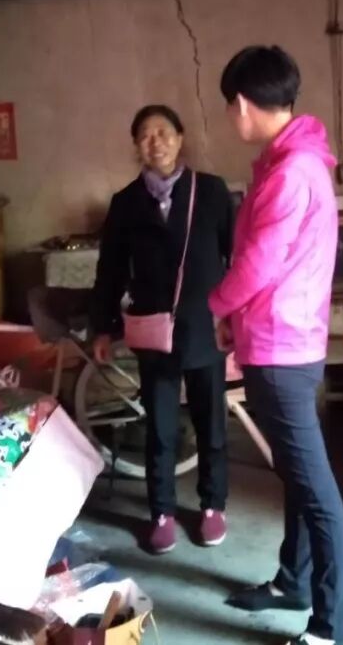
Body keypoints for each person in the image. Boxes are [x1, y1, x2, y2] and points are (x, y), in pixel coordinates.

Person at [208, 47, 343, 645]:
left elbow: (256, 265)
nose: (230, 117)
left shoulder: (290, 172)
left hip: (280, 348)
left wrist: (214, 307)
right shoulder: (293, 161)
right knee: (297, 476)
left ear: (243, 104)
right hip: (287, 339)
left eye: (229, 107)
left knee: (317, 494)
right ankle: (293, 582)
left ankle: (330, 628)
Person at [90, 104, 235, 554]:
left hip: (207, 326)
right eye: (146, 135)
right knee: (161, 426)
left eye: (164, 132)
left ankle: (212, 505)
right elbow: (110, 271)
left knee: (212, 423)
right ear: (137, 145)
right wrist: (102, 328)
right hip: (155, 331)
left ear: (180, 138)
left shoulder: (211, 192)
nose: (156, 142)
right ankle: (162, 513)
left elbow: (236, 257)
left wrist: (238, 316)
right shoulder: (125, 203)